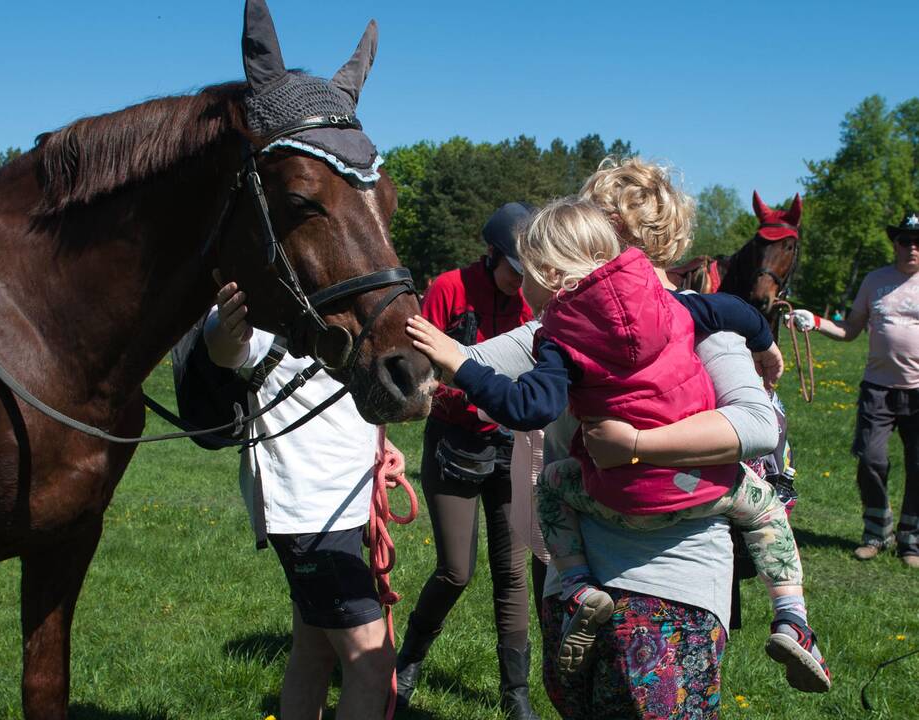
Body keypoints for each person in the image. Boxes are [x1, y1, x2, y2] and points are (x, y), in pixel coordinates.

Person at [407, 197, 829, 693]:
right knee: (764, 508)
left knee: (553, 485)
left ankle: (579, 583)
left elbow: (529, 408)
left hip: (617, 495)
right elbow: (736, 309)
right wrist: (763, 343)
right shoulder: (672, 302)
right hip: (700, 489)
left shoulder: (560, 336)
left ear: (546, 272)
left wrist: (459, 365)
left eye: (527, 272)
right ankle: (792, 617)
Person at [203, 278, 403, 720]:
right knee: (372, 663)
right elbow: (225, 348)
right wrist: (226, 323)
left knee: (314, 650)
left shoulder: (340, 295)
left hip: (341, 508)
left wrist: (378, 446)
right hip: (308, 515)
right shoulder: (268, 301)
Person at [395, 203, 541, 720]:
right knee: (457, 571)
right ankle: (407, 661)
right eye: (513, 272)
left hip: (510, 445)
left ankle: (515, 692)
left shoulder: (529, 302)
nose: (518, 285)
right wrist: (468, 396)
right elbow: (421, 371)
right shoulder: (449, 288)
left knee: (512, 572)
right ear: (492, 255)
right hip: (454, 442)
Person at [787, 210, 919, 568]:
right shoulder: (876, 281)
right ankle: (876, 533)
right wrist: (814, 322)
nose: (912, 247)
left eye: (918, 241)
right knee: (872, 459)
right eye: (905, 240)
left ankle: (912, 540)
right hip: (878, 388)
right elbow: (851, 329)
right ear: (895, 243)